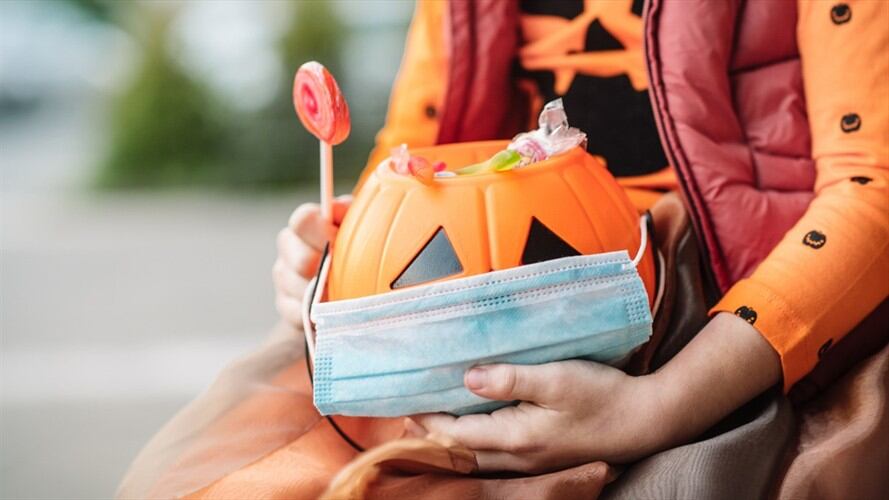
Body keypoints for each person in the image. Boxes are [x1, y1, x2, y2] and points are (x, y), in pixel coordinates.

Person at [120, 1, 888, 498]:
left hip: (742, 306)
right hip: (471, 290)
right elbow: (416, 154)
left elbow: (872, 185)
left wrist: (659, 407)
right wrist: (343, 249)